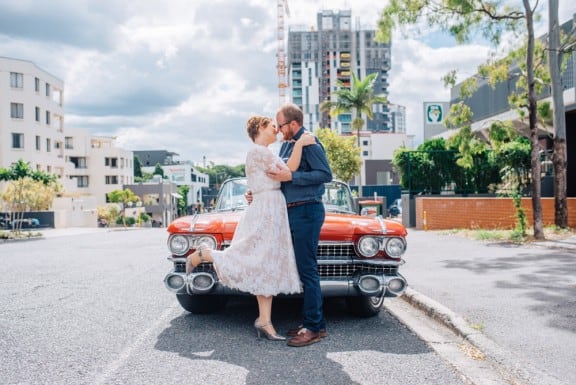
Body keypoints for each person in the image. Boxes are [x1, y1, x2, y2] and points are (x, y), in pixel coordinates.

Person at [185, 115, 316, 341]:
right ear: (261, 127)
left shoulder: (263, 152)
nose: (276, 130)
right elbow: (289, 171)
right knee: (253, 255)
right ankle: (204, 254)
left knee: (266, 262)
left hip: (271, 206)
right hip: (266, 208)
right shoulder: (258, 151)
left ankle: (264, 320)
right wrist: (302, 144)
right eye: (272, 126)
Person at [267, 103, 333, 347]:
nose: (278, 129)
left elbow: (325, 174)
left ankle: (313, 328)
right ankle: (316, 323)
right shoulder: (287, 144)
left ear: (293, 124)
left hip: (307, 210)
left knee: (307, 269)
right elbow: (282, 177)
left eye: (281, 124)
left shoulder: (309, 141)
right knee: (302, 268)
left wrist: (293, 176)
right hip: (292, 212)